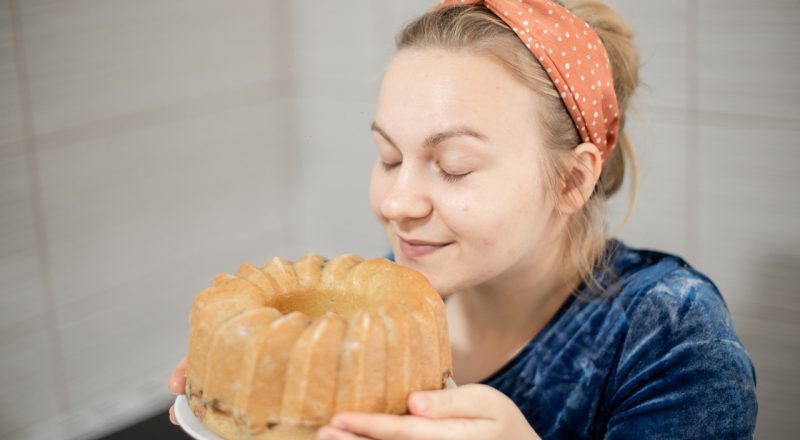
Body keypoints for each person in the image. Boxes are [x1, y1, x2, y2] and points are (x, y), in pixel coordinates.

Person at [168, 0, 758, 438]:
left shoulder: (668, 335)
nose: (397, 204)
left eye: (451, 166)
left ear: (573, 180)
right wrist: (254, 386)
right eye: (388, 157)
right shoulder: (376, 323)